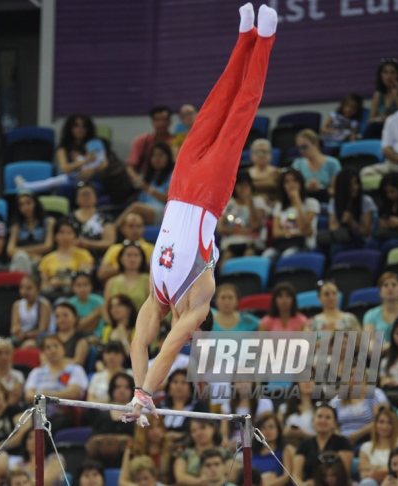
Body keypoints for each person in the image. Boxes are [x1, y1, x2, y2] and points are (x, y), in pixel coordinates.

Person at [124, 4, 277, 426]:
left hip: (179, 186)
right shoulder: (200, 298)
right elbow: (167, 349)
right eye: (192, 333)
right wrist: (144, 394)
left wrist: (141, 395)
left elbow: (140, 344)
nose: (186, 332)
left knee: (214, 105)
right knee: (239, 110)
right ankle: (261, 40)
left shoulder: (157, 299)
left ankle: (244, 36)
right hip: (209, 192)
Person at [15, 114, 109, 197]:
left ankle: (26, 185)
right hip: (73, 180)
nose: (80, 129)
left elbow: (104, 164)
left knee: (95, 188)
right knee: (63, 185)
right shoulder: (63, 148)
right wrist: (85, 161)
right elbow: (65, 169)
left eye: (84, 126)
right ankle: (26, 186)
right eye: (76, 126)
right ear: (70, 128)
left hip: (92, 180)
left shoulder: (94, 144)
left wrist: (92, 170)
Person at [24, 335, 88, 427]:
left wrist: (44, 395)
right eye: (48, 347)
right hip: (38, 415)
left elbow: (73, 393)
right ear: (43, 352)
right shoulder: (36, 372)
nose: (52, 350)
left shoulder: (75, 370)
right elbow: (29, 396)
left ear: (63, 349)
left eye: (56, 346)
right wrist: (46, 395)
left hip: (64, 415)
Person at [261, 168, 320, 263]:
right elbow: (276, 233)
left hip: (303, 245)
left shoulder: (311, 203)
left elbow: (304, 228)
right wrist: (295, 234)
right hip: (282, 244)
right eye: (287, 182)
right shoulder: (280, 206)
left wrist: (297, 202)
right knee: (267, 255)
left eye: (294, 181)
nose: (291, 185)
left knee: (287, 255)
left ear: (301, 183)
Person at [329, 361, 390, 445]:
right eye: (350, 375)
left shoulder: (375, 393)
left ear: (365, 377)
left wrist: (358, 435)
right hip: (343, 440)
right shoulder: (336, 401)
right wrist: (342, 440)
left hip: (370, 439)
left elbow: (381, 420)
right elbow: (332, 426)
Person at [293, 404, 354, 486]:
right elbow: (296, 474)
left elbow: (343, 474)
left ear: (334, 423)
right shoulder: (303, 445)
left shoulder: (343, 443)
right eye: (319, 416)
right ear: (313, 420)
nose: (323, 420)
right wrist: (302, 485)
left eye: (328, 417)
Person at [117, 142, 175, 228]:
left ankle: (113, 229)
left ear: (168, 158)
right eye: (153, 155)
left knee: (136, 208)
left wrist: (147, 188)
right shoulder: (147, 175)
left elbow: (167, 199)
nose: (156, 159)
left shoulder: (172, 175)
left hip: (163, 212)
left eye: (160, 155)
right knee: (131, 218)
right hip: (145, 209)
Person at [217, 171, 267, 265]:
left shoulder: (259, 202)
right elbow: (221, 228)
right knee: (227, 256)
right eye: (240, 185)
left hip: (252, 243)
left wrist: (249, 201)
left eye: (246, 185)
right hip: (231, 243)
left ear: (251, 186)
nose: (243, 189)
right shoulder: (228, 204)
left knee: (249, 254)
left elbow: (255, 225)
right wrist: (246, 230)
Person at [363, 272, 398, 355]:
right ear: (380, 292)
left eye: (394, 285)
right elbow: (369, 347)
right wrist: (392, 346)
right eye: (385, 285)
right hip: (378, 358)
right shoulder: (370, 315)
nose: (390, 288)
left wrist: (385, 347)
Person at [39, 220, 94, 297]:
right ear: (55, 236)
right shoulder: (47, 259)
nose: (65, 236)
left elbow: (84, 281)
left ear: (75, 236)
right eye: (62, 233)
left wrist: (62, 283)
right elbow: (43, 286)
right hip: (53, 294)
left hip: (75, 294)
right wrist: (51, 283)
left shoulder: (84, 255)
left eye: (69, 233)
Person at [327, 168, 377, 254]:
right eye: (351, 185)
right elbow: (332, 227)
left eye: (356, 183)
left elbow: (366, 233)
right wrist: (341, 223)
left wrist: (352, 222)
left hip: (361, 240)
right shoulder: (334, 202)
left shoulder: (366, 201)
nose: (355, 187)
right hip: (342, 238)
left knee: (339, 248)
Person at [173, 419, 234, 485]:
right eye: (194, 430)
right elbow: (180, 477)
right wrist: (200, 482)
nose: (198, 433)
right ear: (191, 434)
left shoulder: (226, 452)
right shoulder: (185, 453)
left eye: (203, 428)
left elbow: (231, 476)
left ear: (213, 429)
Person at [358, 408, 398, 486]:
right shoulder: (366, 447)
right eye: (381, 422)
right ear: (375, 424)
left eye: (389, 423)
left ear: (394, 426)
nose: (384, 426)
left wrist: (375, 469)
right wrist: (388, 470)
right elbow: (363, 474)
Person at [7, 191, 55, 274]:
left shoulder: (49, 222)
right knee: (20, 258)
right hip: (25, 258)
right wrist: (32, 255)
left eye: (28, 203)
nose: (25, 207)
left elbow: (48, 246)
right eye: (21, 205)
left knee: (20, 259)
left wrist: (20, 250)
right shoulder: (16, 226)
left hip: (42, 259)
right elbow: (10, 250)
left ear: (35, 203)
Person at [98, 213, 155, 282]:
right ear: (122, 229)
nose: (135, 230)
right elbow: (102, 274)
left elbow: (157, 273)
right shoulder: (114, 249)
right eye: (131, 226)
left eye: (138, 226)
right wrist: (126, 267)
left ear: (143, 229)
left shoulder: (151, 248)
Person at [66, 181, 116, 259]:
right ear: (76, 199)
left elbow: (109, 242)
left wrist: (89, 243)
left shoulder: (105, 218)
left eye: (89, 193)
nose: (86, 197)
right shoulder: (68, 219)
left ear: (96, 197)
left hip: (98, 258)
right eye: (83, 194)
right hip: (72, 256)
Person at [120, 416, 172, 486]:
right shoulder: (132, 449)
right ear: (142, 429)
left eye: (159, 426)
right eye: (150, 427)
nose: (155, 431)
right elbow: (122, 481)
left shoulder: (170, 449)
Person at [291, 129, 342, 200]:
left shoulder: (333, 163)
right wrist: (305, 187)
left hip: (326, 202)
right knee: (291, 211)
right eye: (299, 148)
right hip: (304, 202)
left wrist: (321, 189)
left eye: (304, 147)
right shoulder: (297, 163)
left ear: (316, 144)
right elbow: (293, 189)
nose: (301, 151)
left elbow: (336, 191)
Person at [83, 372, 136, 439]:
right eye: (118, 386)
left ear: (132, 390)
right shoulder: (98, 413)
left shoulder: (138, 414)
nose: (122, 390)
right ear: (112, 389)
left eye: (127, 387)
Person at [159, 370, 210, 439]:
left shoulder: (200, 407)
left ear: (190, 388)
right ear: (168, 387)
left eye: (184, 382)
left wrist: (181, 436)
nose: (179, 386)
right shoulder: (158, 407)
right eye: (175, 382)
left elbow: (206, 429)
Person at [103, 242, 150, 314]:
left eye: (136, 255)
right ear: (121, 259)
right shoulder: (111, 282)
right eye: (128, 255)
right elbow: (105, 309)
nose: (132, 259)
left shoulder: (148, 280)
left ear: (142, 259)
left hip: (143, 323)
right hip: (116, 324)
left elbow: (154, 306)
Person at [250, 412, 294, 486]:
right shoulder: (253, 452)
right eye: (263, 427)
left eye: (271, 427)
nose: (267, 431)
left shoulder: (286, 449)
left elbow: (287, 476)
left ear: (278, 430)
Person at [127, 107, 174, 175]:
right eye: (157, 119)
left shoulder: (176, 141)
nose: (161, 123)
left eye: (164, 119)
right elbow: (130, 166)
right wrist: (141, 184)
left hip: (169, 177)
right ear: (152, 122)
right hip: (145, 177)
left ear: (170, 121)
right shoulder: (141, 140)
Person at [11, 275, 52, 347]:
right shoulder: (17, 305)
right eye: (22, 287)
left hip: (38, 338)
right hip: (21, 337)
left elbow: (43, 329)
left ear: (38, 290)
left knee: (29, 345)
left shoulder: (44, 304)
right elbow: (13, 328)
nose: (24, 291)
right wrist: (16, 330)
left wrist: (26, 334)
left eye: (29, 288)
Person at [68, 271, 105, 336]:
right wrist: (94, 315)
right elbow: (74, 328)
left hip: (97, 335)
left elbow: (100, 325)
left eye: (86, 284)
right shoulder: (70, 304)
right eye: (78, 285)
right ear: (72, 287)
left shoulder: (99, 301)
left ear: (91, 286)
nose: (82, 289)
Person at [369, 59, 398, 124]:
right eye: (385, 72)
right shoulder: (378, 95)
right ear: (381, 76)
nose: (389, 76)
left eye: (392, 73)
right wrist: (381, 118)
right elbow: (370, 120)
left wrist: (396, 95)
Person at [53, 302, 89, 367]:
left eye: (65, 315)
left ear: (75, 318)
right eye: (57, 316)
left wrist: (55, 362)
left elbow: (78, 362)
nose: (61, 319)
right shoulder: (51, 339)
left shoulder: (81, 340)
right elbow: (44, 361)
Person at [247, 138, 280, 203]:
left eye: (266, 152)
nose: (262, 155)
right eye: (259, 152)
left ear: (271, 155)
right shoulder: (246, 174)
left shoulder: (278, 173)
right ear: (252, 155)